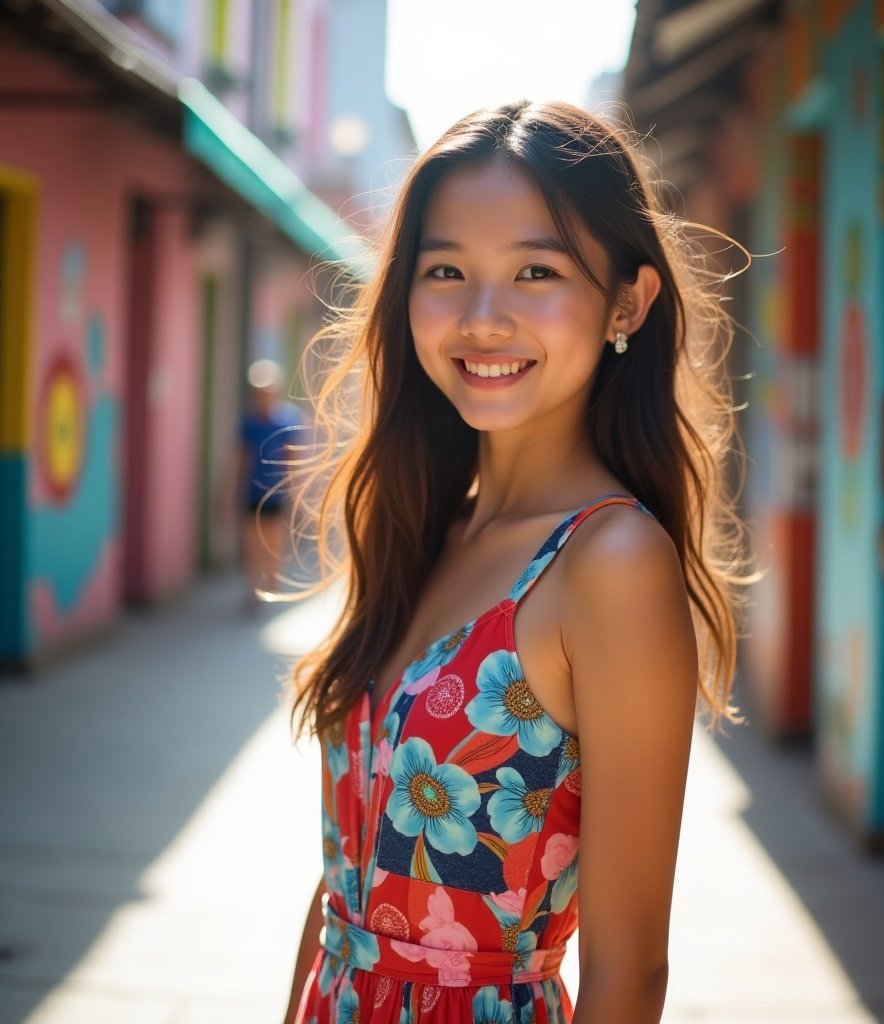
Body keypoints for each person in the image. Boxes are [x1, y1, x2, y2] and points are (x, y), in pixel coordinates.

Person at [283, 100, 748, 1024]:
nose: (482, 318)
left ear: (628, 301)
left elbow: (629, 978)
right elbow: (342, 889)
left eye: (537, 270)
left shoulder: (608, 564)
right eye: (446, 270)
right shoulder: (424, 527)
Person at [232, 358, 304, 611]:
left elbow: (292, 459)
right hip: (253, 489)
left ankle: (272, 586)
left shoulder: (287, 419)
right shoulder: (249, 422)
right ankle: (253, 588)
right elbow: (242, 458)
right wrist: (233, 490)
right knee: (252, 541)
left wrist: (295, 492)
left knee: (273, 541)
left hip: (276, 491)